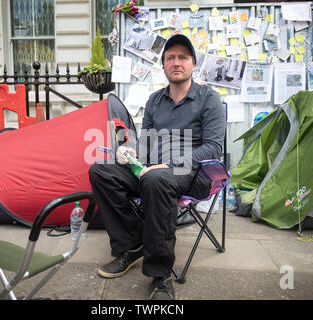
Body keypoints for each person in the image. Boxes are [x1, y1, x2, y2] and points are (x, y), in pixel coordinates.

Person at [88, 34, 226, 300]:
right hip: (155, 170)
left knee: (157, 179)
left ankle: (160, 275)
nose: (176, 62)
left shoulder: (209, 99)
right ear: (163, 65)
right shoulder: (154, 101)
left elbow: (213, 148)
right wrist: (131, 152)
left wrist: (167, 164)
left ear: (193, 64)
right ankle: (132, 244)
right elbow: (147, 144)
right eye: (170, 58)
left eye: (182, 57)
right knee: (101, 170)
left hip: (195, 172)